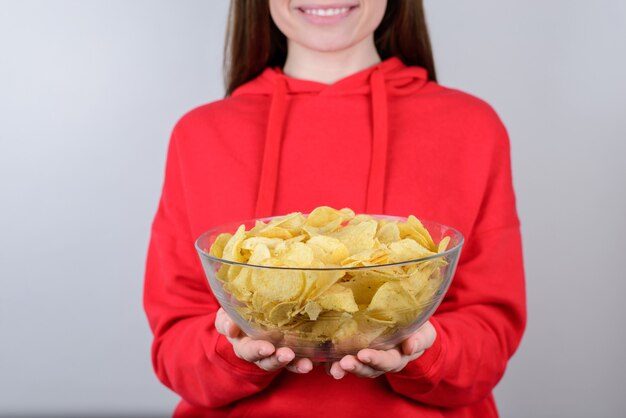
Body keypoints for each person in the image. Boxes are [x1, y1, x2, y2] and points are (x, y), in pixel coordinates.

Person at [143, 1, 526, 417]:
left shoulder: (471, 127)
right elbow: (173, 347)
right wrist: (232, 348)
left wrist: (421, 351)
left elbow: (491, 335)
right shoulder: (200, 135)